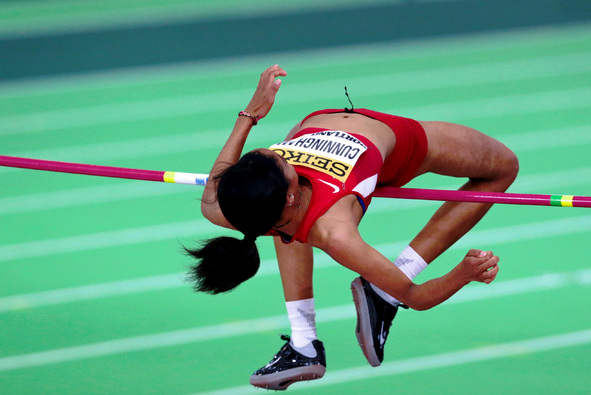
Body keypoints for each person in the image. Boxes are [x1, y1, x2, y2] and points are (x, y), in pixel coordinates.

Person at [185, 65, 519, 390]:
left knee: (283, 226)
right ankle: (384, 288)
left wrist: (250, 115)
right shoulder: (336, 232)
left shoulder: (228, 207)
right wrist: (463, 274)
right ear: (290, 194)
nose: (271, 152)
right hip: (396, 143)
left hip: (314, 132)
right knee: (503, 168)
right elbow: (416, 298)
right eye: (280, 161)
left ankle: (304, 344)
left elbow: (221, 178)